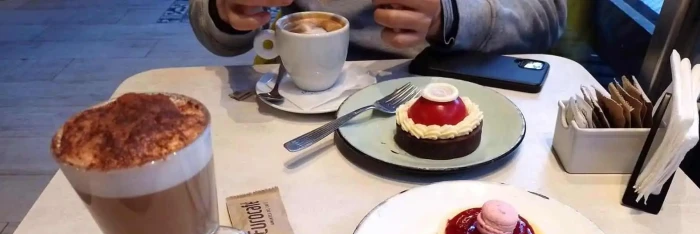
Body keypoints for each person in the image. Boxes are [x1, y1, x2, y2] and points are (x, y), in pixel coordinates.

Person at [189, 0, 567, 61]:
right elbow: (212, 32)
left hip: (465, 87)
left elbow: (548, 16)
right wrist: (226, 12)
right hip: (310, 100)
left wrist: (452, 16)